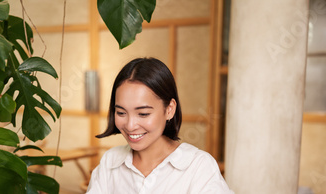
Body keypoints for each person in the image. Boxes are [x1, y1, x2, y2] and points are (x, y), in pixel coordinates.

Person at [86, 58, 233, 194]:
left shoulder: (198, 167)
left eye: (143, 114)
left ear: (169, 109)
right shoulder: (110, 162)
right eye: (121, 112)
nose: (130, 126)